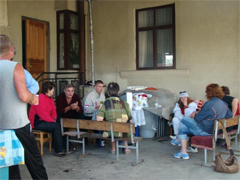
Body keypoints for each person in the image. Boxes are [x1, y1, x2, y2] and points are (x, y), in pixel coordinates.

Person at [0, 35, 48, 179]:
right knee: (34, 161)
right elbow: (23, 96)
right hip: (17, 123)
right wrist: (34, 98)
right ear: (12, 49)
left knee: (8, 164)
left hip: (0, 126)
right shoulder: (15, 67)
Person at [173, 83, 232, 160]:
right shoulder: (224, 103)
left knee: (185, 119)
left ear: (209, 93)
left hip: (205, 130)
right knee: (183, 128)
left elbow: (197, 119)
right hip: (216, 129)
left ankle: (180, 144)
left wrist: (196, 113)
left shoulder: (209, 104)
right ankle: (183, 152)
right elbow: (229, 116)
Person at [29, 81, 65, 157]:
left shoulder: (50, 98)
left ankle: (62, 145)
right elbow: (43, 114)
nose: (53, 91)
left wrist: (54, 118)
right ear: (48, 90)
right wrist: (53, 121)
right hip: (38, 122)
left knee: (60, 120)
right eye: (52, 89)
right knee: (56, 126)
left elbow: (54, 110)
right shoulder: (40, 98)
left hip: (45, 120)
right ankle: (58, 150)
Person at [96, 82, 132, 154]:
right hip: (125, 133)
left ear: (108, 93)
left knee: (110, 125)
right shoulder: (125, 103)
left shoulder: (104, 103)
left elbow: (99, 119)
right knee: (125, 123)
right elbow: (131, 120)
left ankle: (113, 148)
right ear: (118, 92)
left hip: (110, 133)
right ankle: (126, 148)